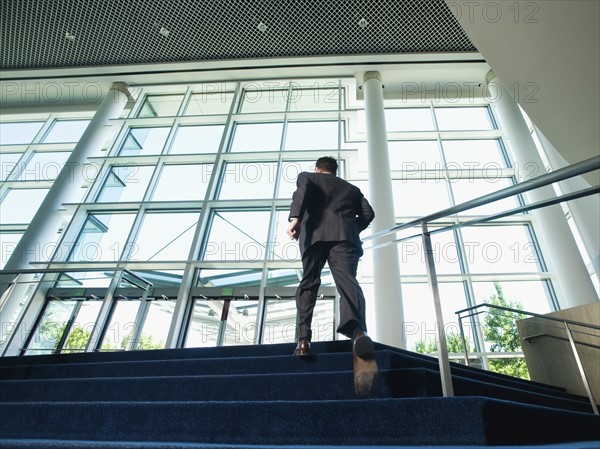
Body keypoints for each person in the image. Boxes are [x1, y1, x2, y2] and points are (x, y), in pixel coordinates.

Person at [287, 156, 378, 397]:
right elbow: (368, 214)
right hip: (345, 238)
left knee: (309, 284)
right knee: (347, 282)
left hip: (314, 235)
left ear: (318, 168)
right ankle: (358, 331)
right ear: (335, 171)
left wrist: (295, 219)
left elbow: (302, 193)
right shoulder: (352, 188)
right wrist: (348, 227)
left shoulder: (308, 177)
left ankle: (304, 340)